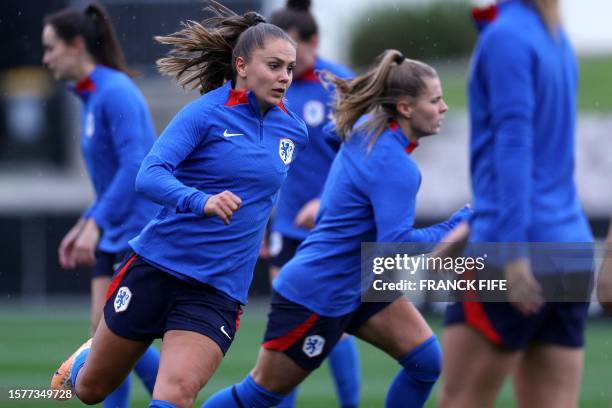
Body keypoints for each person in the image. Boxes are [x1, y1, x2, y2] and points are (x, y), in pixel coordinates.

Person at [50, 1, 308, 407]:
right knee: (90, 390)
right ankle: (85, 359)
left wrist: (269, 230)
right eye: (274, 66)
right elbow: (148, 175)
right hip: (157, 266)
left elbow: (268, 191)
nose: (285, 78)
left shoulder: (293, 130)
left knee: (175, 394)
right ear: (241, 66)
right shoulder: (204, 114)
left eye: (290, 68)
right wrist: (201, 202)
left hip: (217, 289)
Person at [204, 49, 471, 408]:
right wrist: (459, 222)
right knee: (261, 392)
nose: (444, 108)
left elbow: (333, 137)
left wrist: (330, 202)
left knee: (425, 362)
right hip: (318, 292)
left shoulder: (366, 131)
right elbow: (396, 246)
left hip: (357, 283)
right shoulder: (396, 166)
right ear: (405, 108)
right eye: (435, 100)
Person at [438, 1, 594, 407]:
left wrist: (511, 250)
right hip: (568, 249)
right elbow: (543, 160)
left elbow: (516, 146)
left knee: (459, 400)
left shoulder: (505, 36)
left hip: (512, 253)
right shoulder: (554, 36)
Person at [42, 3, 160, 407]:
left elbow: (135, 167)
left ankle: (177, 395)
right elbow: (113, 179)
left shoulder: (115, 92)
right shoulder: (93, 97)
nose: (46, 58)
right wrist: (87, 223)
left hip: (136, 232)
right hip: (114, 231)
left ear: (76, 46)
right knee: (104, 339)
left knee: (113, 340)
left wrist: (96, 223)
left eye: (51, 48)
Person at [266, 1, 359, 406]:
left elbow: (364, 158)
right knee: (287, 328)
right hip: (286, 227)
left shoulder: (339, 83)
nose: (284, 63)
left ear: (314, 42)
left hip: (332, 228)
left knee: (332, 325)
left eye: (292, 51)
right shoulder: (271, 88)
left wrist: (325, 200)